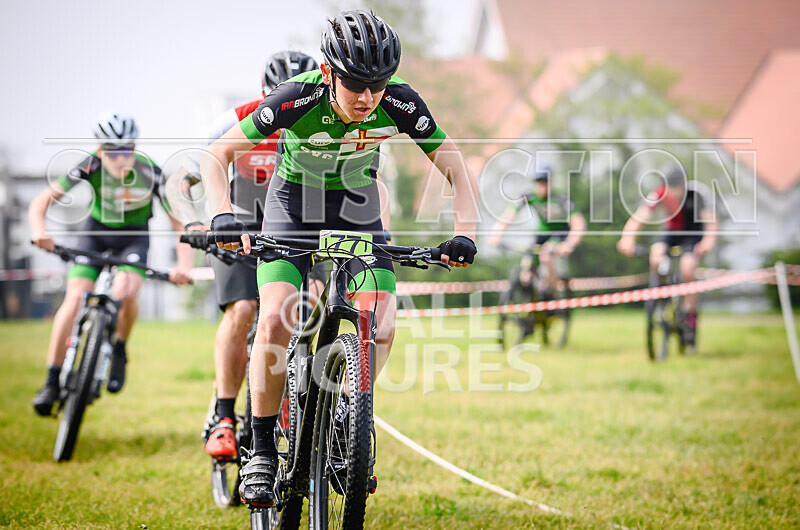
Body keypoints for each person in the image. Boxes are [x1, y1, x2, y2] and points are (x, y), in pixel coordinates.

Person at [198, 10, 478, 506]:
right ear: (328, 74)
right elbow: (215, 155)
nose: (368, 98)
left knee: (384, 322)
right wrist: (222, 214)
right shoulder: (297, 96)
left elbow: (454, 163)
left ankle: (352, 410)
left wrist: (464, 233)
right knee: (276, 319)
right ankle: (262, 451)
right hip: (291, 206)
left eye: (378, 85)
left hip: (357, 206)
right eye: (355, 85)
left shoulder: (400, 102)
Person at [179, 51, 325, 460]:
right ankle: (224, 415)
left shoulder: (323, 123)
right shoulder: (238, 119)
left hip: (297, 231)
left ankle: (289, 394)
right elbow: (183, 179)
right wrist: (195, 221)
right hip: (237, 233)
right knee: (242, 309)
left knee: (306, 306)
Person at [29, 112, 193, 416]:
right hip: (95, 234)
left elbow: (178, 223)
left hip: (133, 238)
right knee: (76, 296)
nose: (121, 159)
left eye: (127, 150)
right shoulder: (90, 164)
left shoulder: (150, 172)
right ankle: (51, 379)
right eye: (113, 152)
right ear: (101, 151)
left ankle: (118, 348)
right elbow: (42, 201)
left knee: (127, 292)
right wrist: (40, 231)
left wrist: (184, 265)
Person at [617, 165, 717, 347]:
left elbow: (710, 221)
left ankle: (690, 315)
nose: (671, 192)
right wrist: (627, 239)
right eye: (668, 187)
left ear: (683, 184)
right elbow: (639, 217)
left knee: (687, 268)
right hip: (671, 232)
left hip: (692, 234)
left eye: (675, 187)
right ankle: (662, 296)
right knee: (656, 255)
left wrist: (707, 243)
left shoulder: (697, 193)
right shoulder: (659, 193)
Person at [489, 164, 585, 292]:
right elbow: (508, 215)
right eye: (538, 182)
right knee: (526, 271)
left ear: (551, 182)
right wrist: (496, 234)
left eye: (545, 182)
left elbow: (578, 223)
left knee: (546, 256)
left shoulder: (561, 199)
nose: (542, 186)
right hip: (542, 234)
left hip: (560, 233)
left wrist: (570, 243)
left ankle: (552, 294)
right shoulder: (529, 196)